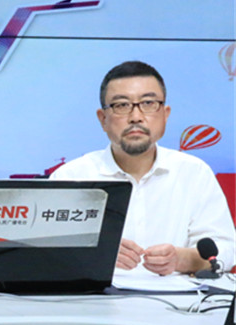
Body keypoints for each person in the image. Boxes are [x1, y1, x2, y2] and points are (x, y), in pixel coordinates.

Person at [50, 60, 234, 275]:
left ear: (165, 114)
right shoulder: (71, 177)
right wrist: (96, 255)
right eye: (121, 105)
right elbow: (43, 254)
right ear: (103, 119)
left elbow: (226, 249)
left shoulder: (194, 172)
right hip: (94, 295)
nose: (136, 117)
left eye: (148, 103)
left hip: (177, 295)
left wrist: (181, 259)